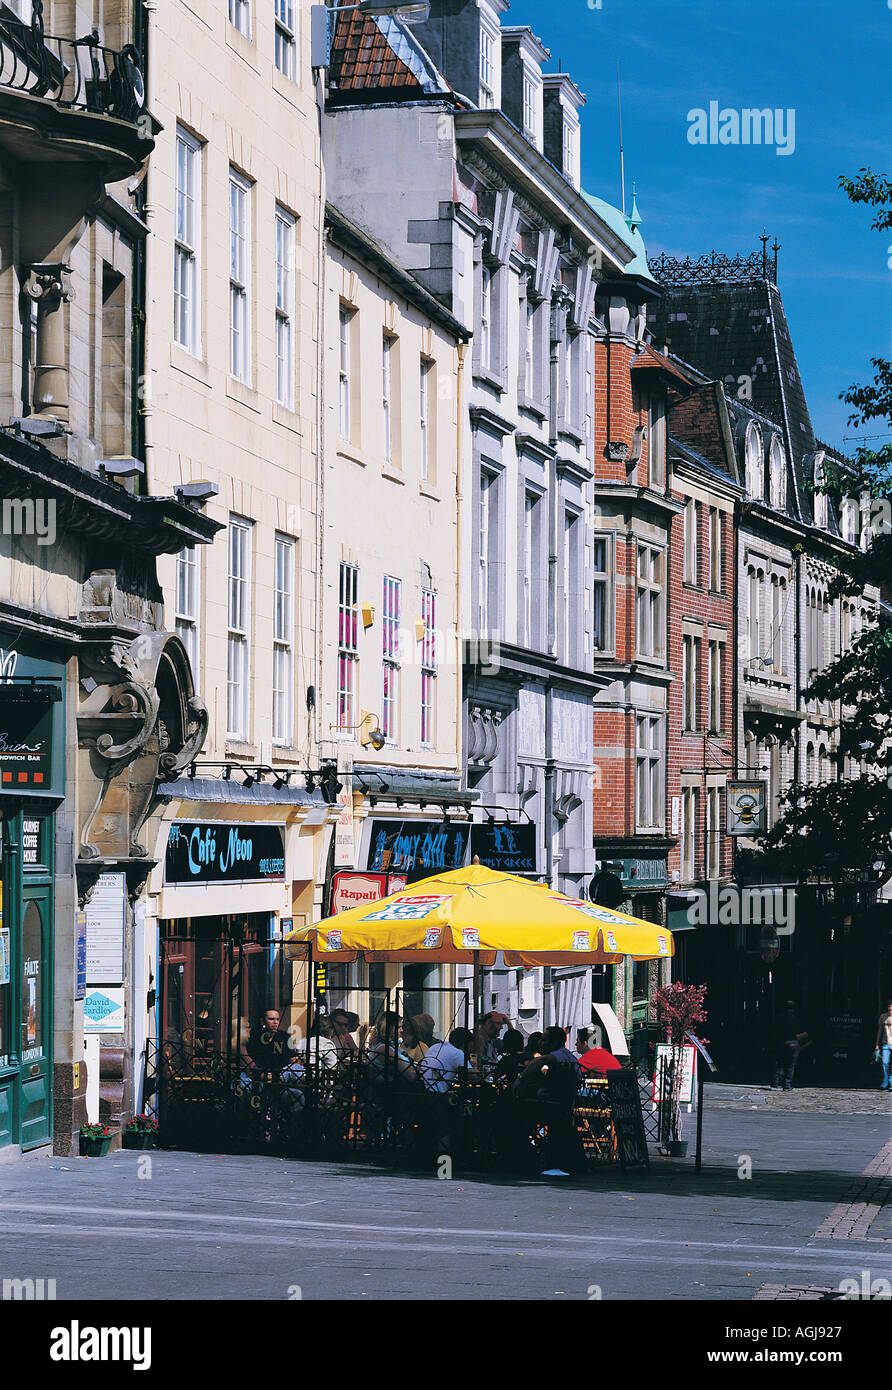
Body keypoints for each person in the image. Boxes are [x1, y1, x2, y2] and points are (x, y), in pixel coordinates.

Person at [512, 1026, 584, 1175]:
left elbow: (543, 1060)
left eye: (544, 1039)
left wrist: (520, 1079)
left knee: (513, 1112)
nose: (541, 1042)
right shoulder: (568, 1057)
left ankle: (520, 1154)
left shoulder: (560, 1056)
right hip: (561, 1106)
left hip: (551, 1107)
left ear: (554, 1042)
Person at [420, 1027, 471, 1094]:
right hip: (438, 1096)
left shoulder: (435, 1046)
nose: (470, 1049)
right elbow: (473, 1075)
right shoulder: (458, 1053)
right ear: (465, 1044)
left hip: (421, 1090)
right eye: (470, 1046)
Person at [773, 1000, 808, 1090]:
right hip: (792, 1042)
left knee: (780, 1062)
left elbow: (773, 1031)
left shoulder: (778, 1018)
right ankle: (787, 1084)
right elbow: (800, 1031)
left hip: (781, 1042)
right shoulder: (795, 1019)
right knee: (790, 1065)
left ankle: (776, 1081)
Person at [875, 999, 892, 1090]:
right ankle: (885, 1080)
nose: (890, 1011)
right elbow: (879, 1031)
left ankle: (891, 1081)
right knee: (885, 1062)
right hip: (885, 1043)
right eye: (889, 1009)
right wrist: (877, 1044)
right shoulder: (883, 1017)